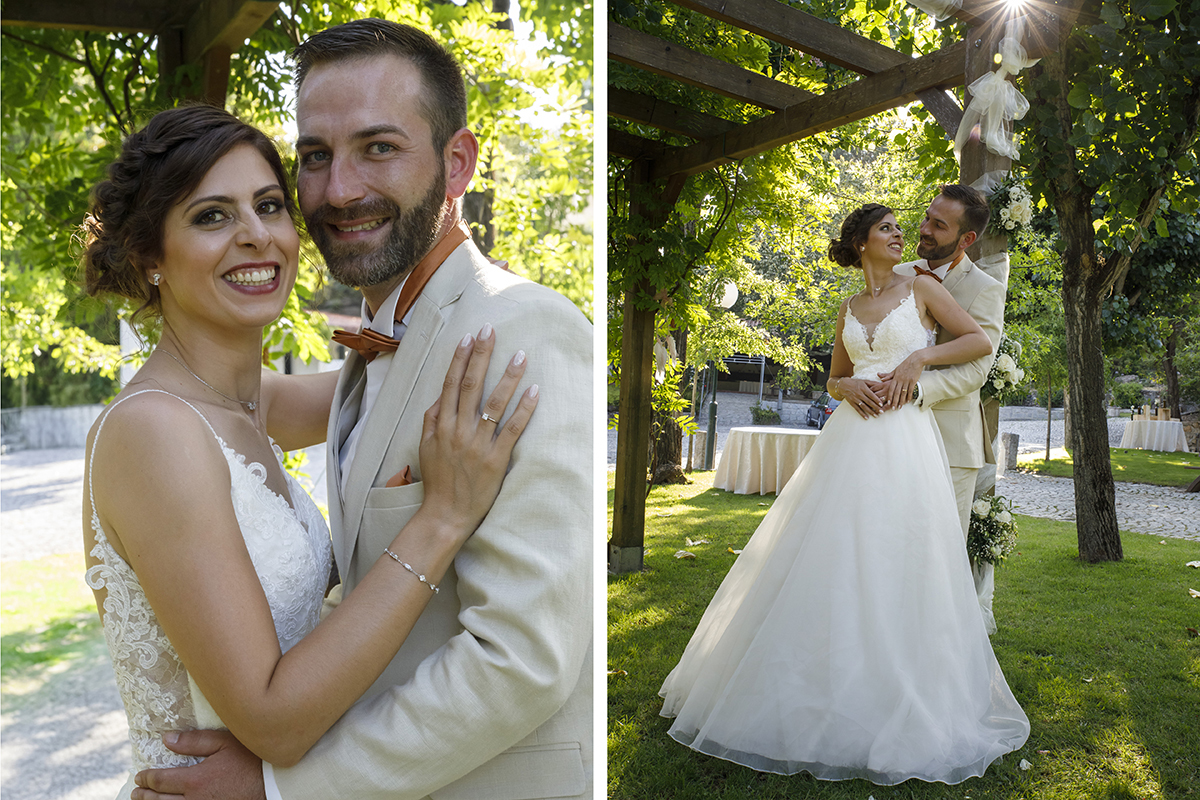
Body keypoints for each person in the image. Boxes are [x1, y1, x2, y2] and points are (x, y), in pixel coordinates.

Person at [132, 19, 593, 800]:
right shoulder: (370, 349)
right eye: (315, 157)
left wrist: (282, 785)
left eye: (378, 148)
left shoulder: (523, 331)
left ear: (457, 164)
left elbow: (523, 663)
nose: (339, 191)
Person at [658, 204, 1028, 785]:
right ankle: (822, 678)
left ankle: (905, 684)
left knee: (901, 558)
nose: (902, 233)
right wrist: (846, 383)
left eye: (903, 227)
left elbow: (979, 342)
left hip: (906, 440)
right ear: (860, 243)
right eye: (888, 228)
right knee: (831, 556)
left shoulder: (923, 287)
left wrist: (918, 357)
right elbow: (832, 378)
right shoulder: (848, 309)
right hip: (850, 438)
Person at [889, 185, 1005, 633]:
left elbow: (978, 368)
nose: (924, 228)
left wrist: (918, 387)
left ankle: (941, 649)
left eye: (940, 224)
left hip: (951, 443)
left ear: (966, 239)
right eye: (927, 217)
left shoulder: (985, 290)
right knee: (890, 537)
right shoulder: (897, 271)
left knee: (940, 552)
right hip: (893, 435)